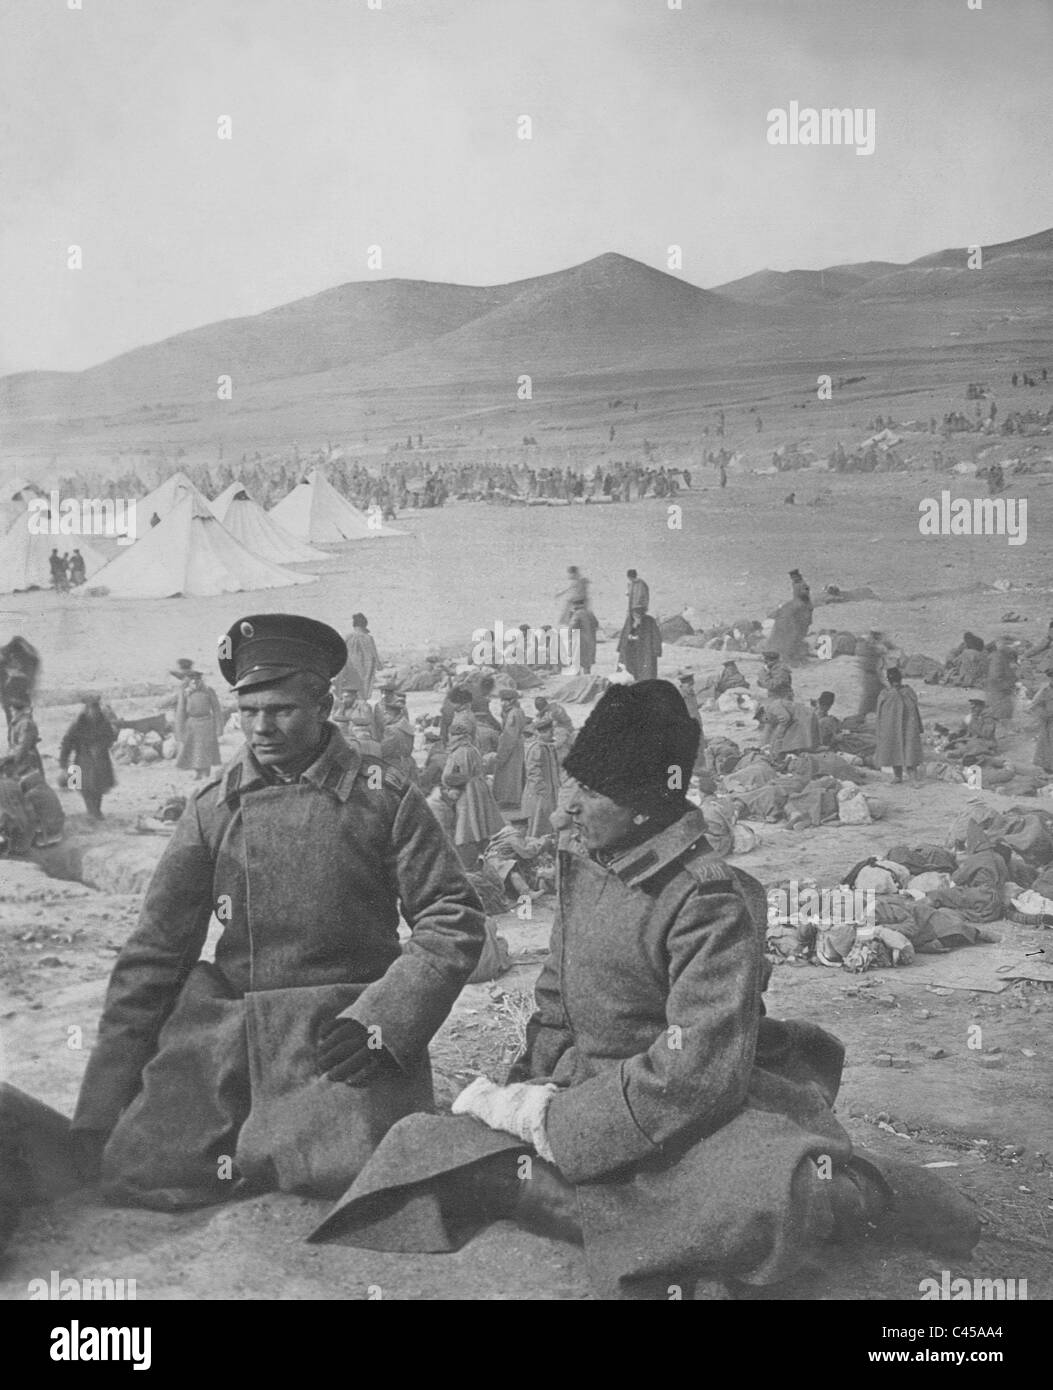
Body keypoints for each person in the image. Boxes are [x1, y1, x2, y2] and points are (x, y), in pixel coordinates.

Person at [317, 680, 979, 1298]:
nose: (571, 805)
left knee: (762, 1192)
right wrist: (521, 1091)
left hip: (687, 1107)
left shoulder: (709, 900)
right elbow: (554, 1003)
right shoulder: (588, 866)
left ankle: (857, 1197)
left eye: (594, 791)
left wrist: (549, 1123)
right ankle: (624, 1218)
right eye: (574, 782)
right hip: (582, 1092)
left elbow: (695, 1068)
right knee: (422, 1142)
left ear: (645, 806)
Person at [64, 614, 485, 1210]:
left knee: (357, 1184)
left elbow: (452, 918)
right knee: (142, 1170)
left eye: (282, 709)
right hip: (229, 1034)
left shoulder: (383, 797)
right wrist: (99, 1109)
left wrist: (384, 1023)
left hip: (341, 1040)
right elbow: (156, 953)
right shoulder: (214, 807)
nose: (261, 728)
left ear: (325, 704)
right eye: (248, 711)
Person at [441, 711, 505, 870]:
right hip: (480, 788)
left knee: (466, 825)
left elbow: (453, 775)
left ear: (453, 736)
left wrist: (447, 786)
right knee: (481, 822)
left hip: (466, 791)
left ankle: (468, 864)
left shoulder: (457, 753)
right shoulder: (473, 749)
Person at [59, 695, 117, 821]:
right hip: (82, 759)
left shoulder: (104, 722)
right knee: (84, 787)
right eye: (91, 709)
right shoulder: (78, 723)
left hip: (101, 759)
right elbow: (67, 742)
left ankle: (96, 810)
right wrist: (64, 763)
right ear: (86, 709)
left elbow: (111, 737)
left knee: (99, 787)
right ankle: (91, 811)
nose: (93, 712)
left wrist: (101, 746)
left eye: (95, 708)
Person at [874, 668, 924, 785]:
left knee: (909, 752)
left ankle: (913, 778)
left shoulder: (907, 692)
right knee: (894, 750)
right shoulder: (886, 693)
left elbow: (914, 710)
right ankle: (898, 776)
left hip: (908, 727)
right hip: (891, 726)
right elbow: (880, 714)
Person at [174, 670, 224, 780]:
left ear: (201, 680)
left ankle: (206, 772)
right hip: (192, 724)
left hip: (207, 723)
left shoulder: (209, 691)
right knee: (194, 749)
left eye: (197, 679)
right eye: (192, 680)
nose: (195, 682)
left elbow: (217, 709)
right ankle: (197, 772)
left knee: (206, 749)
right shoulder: (185, 693)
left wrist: (219, 727)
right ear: (189, 682)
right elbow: (181, 711)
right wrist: (180, 728)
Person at [521, 716, 560, 837]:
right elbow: (533, 772)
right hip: (539, 794)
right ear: (541, 733)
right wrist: (542, 790)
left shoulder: (547, 746)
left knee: (547, 820)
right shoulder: (537, 748)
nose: (551, 735)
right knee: (538, 820)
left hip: (548, 791)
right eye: (549, 732)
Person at [492, 689, 527, 809]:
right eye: (501, 700)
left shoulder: (513, 714)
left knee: (510, 773)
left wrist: (502, 754)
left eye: (505, 700)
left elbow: (510, 736)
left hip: (512, 747)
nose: (502, 703)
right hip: (516, 745)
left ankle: (510, 800)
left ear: (511, 701)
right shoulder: (514, 711)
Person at [339, 613, 381, 701]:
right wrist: (378, 664)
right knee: (364, 685)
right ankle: (361, 700)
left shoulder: (348, 637)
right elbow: (374, 653)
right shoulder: (368, 638)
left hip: (351, 665)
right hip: (365, 667)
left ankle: (351, 698)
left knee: (351, 683)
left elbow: (340, 649)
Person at [618, 607, 662, 681]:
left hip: (645, 652)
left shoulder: (649, 621)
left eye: (639, 614)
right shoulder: (629, 621)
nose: (637, 616)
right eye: (635, 614)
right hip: (632, 651)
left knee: (646, 673)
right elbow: (624, 636)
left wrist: (657, 650)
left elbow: (656, 637)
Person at [985, 638, 1018, 729]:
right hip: (999, 690)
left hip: (1000, 690)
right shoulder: (998, 658)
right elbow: (995, 676)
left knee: (1003, 711)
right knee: (1003, 711)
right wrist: (1008, 685)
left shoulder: (1001, 657)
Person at [5, 699, 43, 778]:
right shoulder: (17, 723)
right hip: (22, 759)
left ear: (19, 711)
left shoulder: (25, 723)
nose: (11, 713)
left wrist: (15, 762)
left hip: (27, 760)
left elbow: (24, 745)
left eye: (12, 710)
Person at [534, 696, 574, 762]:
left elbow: (545, 721)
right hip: (564, 726)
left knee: (556, 747)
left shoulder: (552, 712)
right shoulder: (553, 706)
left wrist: (534, 724)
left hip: (563, 729)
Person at [856, 630, 886, 717]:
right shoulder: (870, 647)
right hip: (870, 675)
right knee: (869, 699)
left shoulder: (869, 646)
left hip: (871, 675)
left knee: (873, 698)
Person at [1028, 679, 1053, 774]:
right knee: (1048, 745)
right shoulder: (1045, 691)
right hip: (1049, 723)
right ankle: (1049, 768)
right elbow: (1034, 705)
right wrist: (1044, 714)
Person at [567, 599, 598, 675]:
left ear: (575, 605)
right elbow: (596, 624)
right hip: (591, 642)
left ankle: (578, 682)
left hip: (580, 643)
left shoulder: (577, 614)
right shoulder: (590, 613)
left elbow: (572, 627)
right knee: (587, 666)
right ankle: (587, 681)